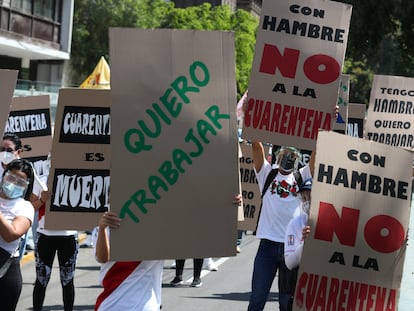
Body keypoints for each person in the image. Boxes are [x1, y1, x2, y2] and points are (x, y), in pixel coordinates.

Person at [247, 143, 312, 311]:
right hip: (267, 247)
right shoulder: (267, 174)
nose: (288, 157)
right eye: (285, 153)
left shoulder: (301, 177)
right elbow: (256, 148)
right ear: (278, 155)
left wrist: (328, 121)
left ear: (298, 159)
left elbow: (317, 157)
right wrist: (251, 120)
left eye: (292, 155)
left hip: (291, 249)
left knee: (286, 304)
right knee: (257, 299)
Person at [94, 211, 163, 311]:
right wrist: (102, 229)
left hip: (145, 305)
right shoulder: (107, 223)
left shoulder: (161, 225)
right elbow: (102, 257)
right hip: (112, 303)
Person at [32, 167, 79, 311]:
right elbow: (32, 206)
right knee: (41, 281)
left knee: (67, 281)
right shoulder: (40, 180)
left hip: (69, 236)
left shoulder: (77, 177)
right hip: (45, 236)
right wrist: (42, 199)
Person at [0, 159, 35, 311]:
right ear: (4, 175)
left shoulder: (25, 207)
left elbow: (11, 234)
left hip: (4, 272)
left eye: (21, 182)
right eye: (12, 178)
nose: (14, 183)